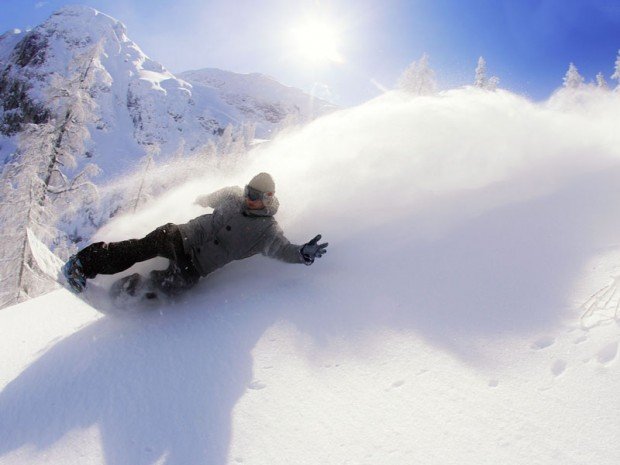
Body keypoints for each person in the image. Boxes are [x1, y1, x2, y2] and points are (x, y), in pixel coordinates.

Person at [62, 172, 328, 297]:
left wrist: (302, 254)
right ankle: (82, 264)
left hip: (197, 266)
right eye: (248, 190)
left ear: (269, 198)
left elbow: (284, 250)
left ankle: (128, 290)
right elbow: (211, 197)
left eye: (255, 195)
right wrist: (202, 198)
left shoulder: (267, 231)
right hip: (182, 237)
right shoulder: (234, 196)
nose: (248, 197)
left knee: (170, 287)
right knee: (141, 247)